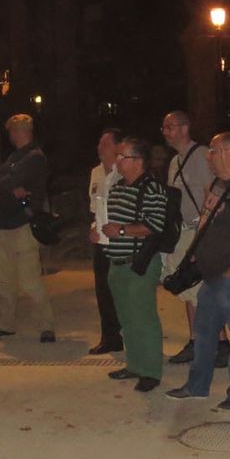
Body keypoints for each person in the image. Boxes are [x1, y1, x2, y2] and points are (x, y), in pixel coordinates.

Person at [166, 133, 230, 409]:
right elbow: (206, 220)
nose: (208, 156)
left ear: (228, 153)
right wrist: (196, 252)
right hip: (211, 275)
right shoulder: (217, 184)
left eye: (212, 150)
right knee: (204, 332)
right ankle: (198, 385)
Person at [99, 136, 168, 393]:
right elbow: (109, 220)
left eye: (122, 156)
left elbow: (155, 225)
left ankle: (151, 371)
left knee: (144, 318)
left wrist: (122, 231)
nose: (117, 160)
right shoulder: (118, 187)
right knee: (126, 318)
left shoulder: (152, 189)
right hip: (116, 262)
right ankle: (135, 364)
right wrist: (99, 231)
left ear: (138, 161)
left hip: (139, 264)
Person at [0, 114, 56, 342]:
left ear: (19, 131)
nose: (11, 135)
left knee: (29, 279)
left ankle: (46, 325)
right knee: (4, 278)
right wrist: (3, 182)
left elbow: (4, 179)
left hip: (23, 224)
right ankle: (5, 322)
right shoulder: (16, 157)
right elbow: (7, 180)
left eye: (13, 130)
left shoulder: (35, 157)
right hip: (4, 223)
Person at [160, 111, 222, 366]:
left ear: (185, 128)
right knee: (188, 289)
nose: (165, 132)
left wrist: (202, 238)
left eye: (170, 127)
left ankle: (215, 343)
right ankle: (199, 341)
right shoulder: (175, 161)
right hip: (182, 231)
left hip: (197, 230)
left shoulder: (201, 156)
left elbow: (211, 196)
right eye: (164, 127)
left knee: (198, 290)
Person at [86, 127, 124, 355]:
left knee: (123, 290)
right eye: (100, 144)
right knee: (103, 290)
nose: (100, 148)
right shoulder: (95, 172)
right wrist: (93, 228)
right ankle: (110, 336)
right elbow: (94, 207)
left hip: (122, 239)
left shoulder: (125, 170)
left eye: (106, 144)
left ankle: (129, 334)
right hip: (101, 241)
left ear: (118, 147)